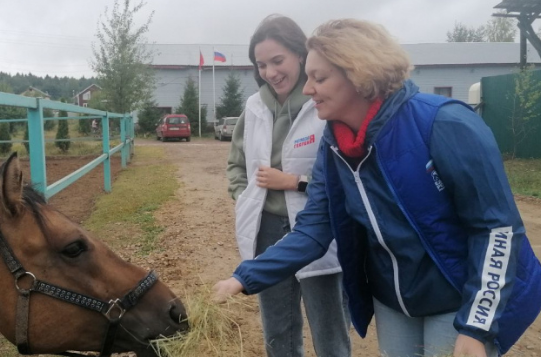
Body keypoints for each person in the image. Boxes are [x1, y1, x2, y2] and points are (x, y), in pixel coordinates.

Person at [214, 18, 541, 357]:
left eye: (319, 78)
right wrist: (244, 277)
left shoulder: (445, 123)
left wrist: (477, 325)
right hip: (395, 299)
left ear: (358, 74)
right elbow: (313, 230)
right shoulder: (334, 144)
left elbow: (496, 229)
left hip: (458, 295)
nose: (308, 89)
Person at [226, 15, 350, 357]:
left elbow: (344, 177)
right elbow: (236, 164)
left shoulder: (324, 103)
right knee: (277, 330)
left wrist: (296, 183)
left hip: (316, 231)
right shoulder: (253, 108)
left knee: (329, 327)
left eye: (277, 61)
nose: (270, 72)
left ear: (300, 54)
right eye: (261, 64)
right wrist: (246, 198)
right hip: (267, 229)